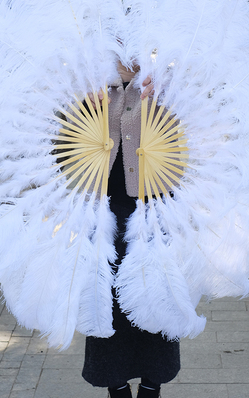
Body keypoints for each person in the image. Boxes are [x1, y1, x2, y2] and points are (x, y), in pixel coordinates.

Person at [81, 62, 180, 398]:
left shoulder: (165, 87)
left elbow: (187, 138)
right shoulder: (89, 87)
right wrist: (83, 105)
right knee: (106, 304)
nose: (127, 56)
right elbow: (64, 142)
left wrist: (168, 93)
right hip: (105, 216)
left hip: (153, 215)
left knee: (156, 299)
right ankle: (117, 387)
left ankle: (153, 386)